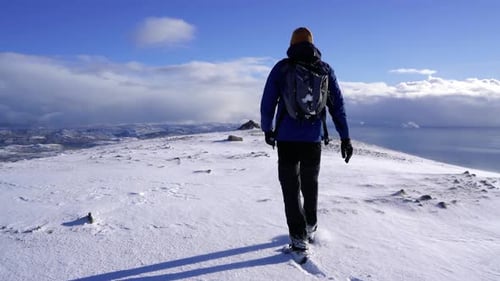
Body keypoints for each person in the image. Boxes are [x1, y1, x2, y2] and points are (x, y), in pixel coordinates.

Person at [260, 27, 353, 255]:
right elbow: (337, 106)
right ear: (313, 44)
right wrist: (345, 136)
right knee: (310, 183)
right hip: (313, 139)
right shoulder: (324, 69)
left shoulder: (282, 68)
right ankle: (310, 225)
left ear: (291, 44)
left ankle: (298, 238)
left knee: (291, 188)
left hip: (286, 139)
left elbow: (268, 101)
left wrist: (267, 129)